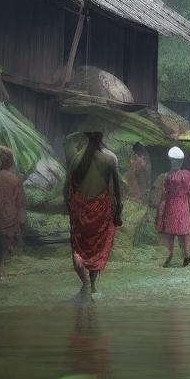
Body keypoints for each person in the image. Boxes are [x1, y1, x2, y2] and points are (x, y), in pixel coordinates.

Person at [64, 126, 123, 295]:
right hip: (100, 211)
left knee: (78, 248)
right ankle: (93, 283)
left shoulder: (76, 158)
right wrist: (118, 211)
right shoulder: (110, 158)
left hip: (79, 212)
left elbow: (67, 191)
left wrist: (73, 211)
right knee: (97, 248)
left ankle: (85, 282)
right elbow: (117, 192)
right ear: (101, 134)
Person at [0, 145, 26, 286]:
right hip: (9, 218)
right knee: (5, 244)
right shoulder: (15, 180)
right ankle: (0, 268)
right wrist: (21, 220)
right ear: (10, 162)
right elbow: (20, 203)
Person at [155, 145, 190, 268]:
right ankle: (186, 255)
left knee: (170, 233)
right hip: (183, 205)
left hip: (171, 205)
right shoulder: (187, 175)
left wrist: (160, 208)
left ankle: (169, 255)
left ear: (171, 160)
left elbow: (164, 193)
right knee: (183, 232)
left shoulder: (168, 176)